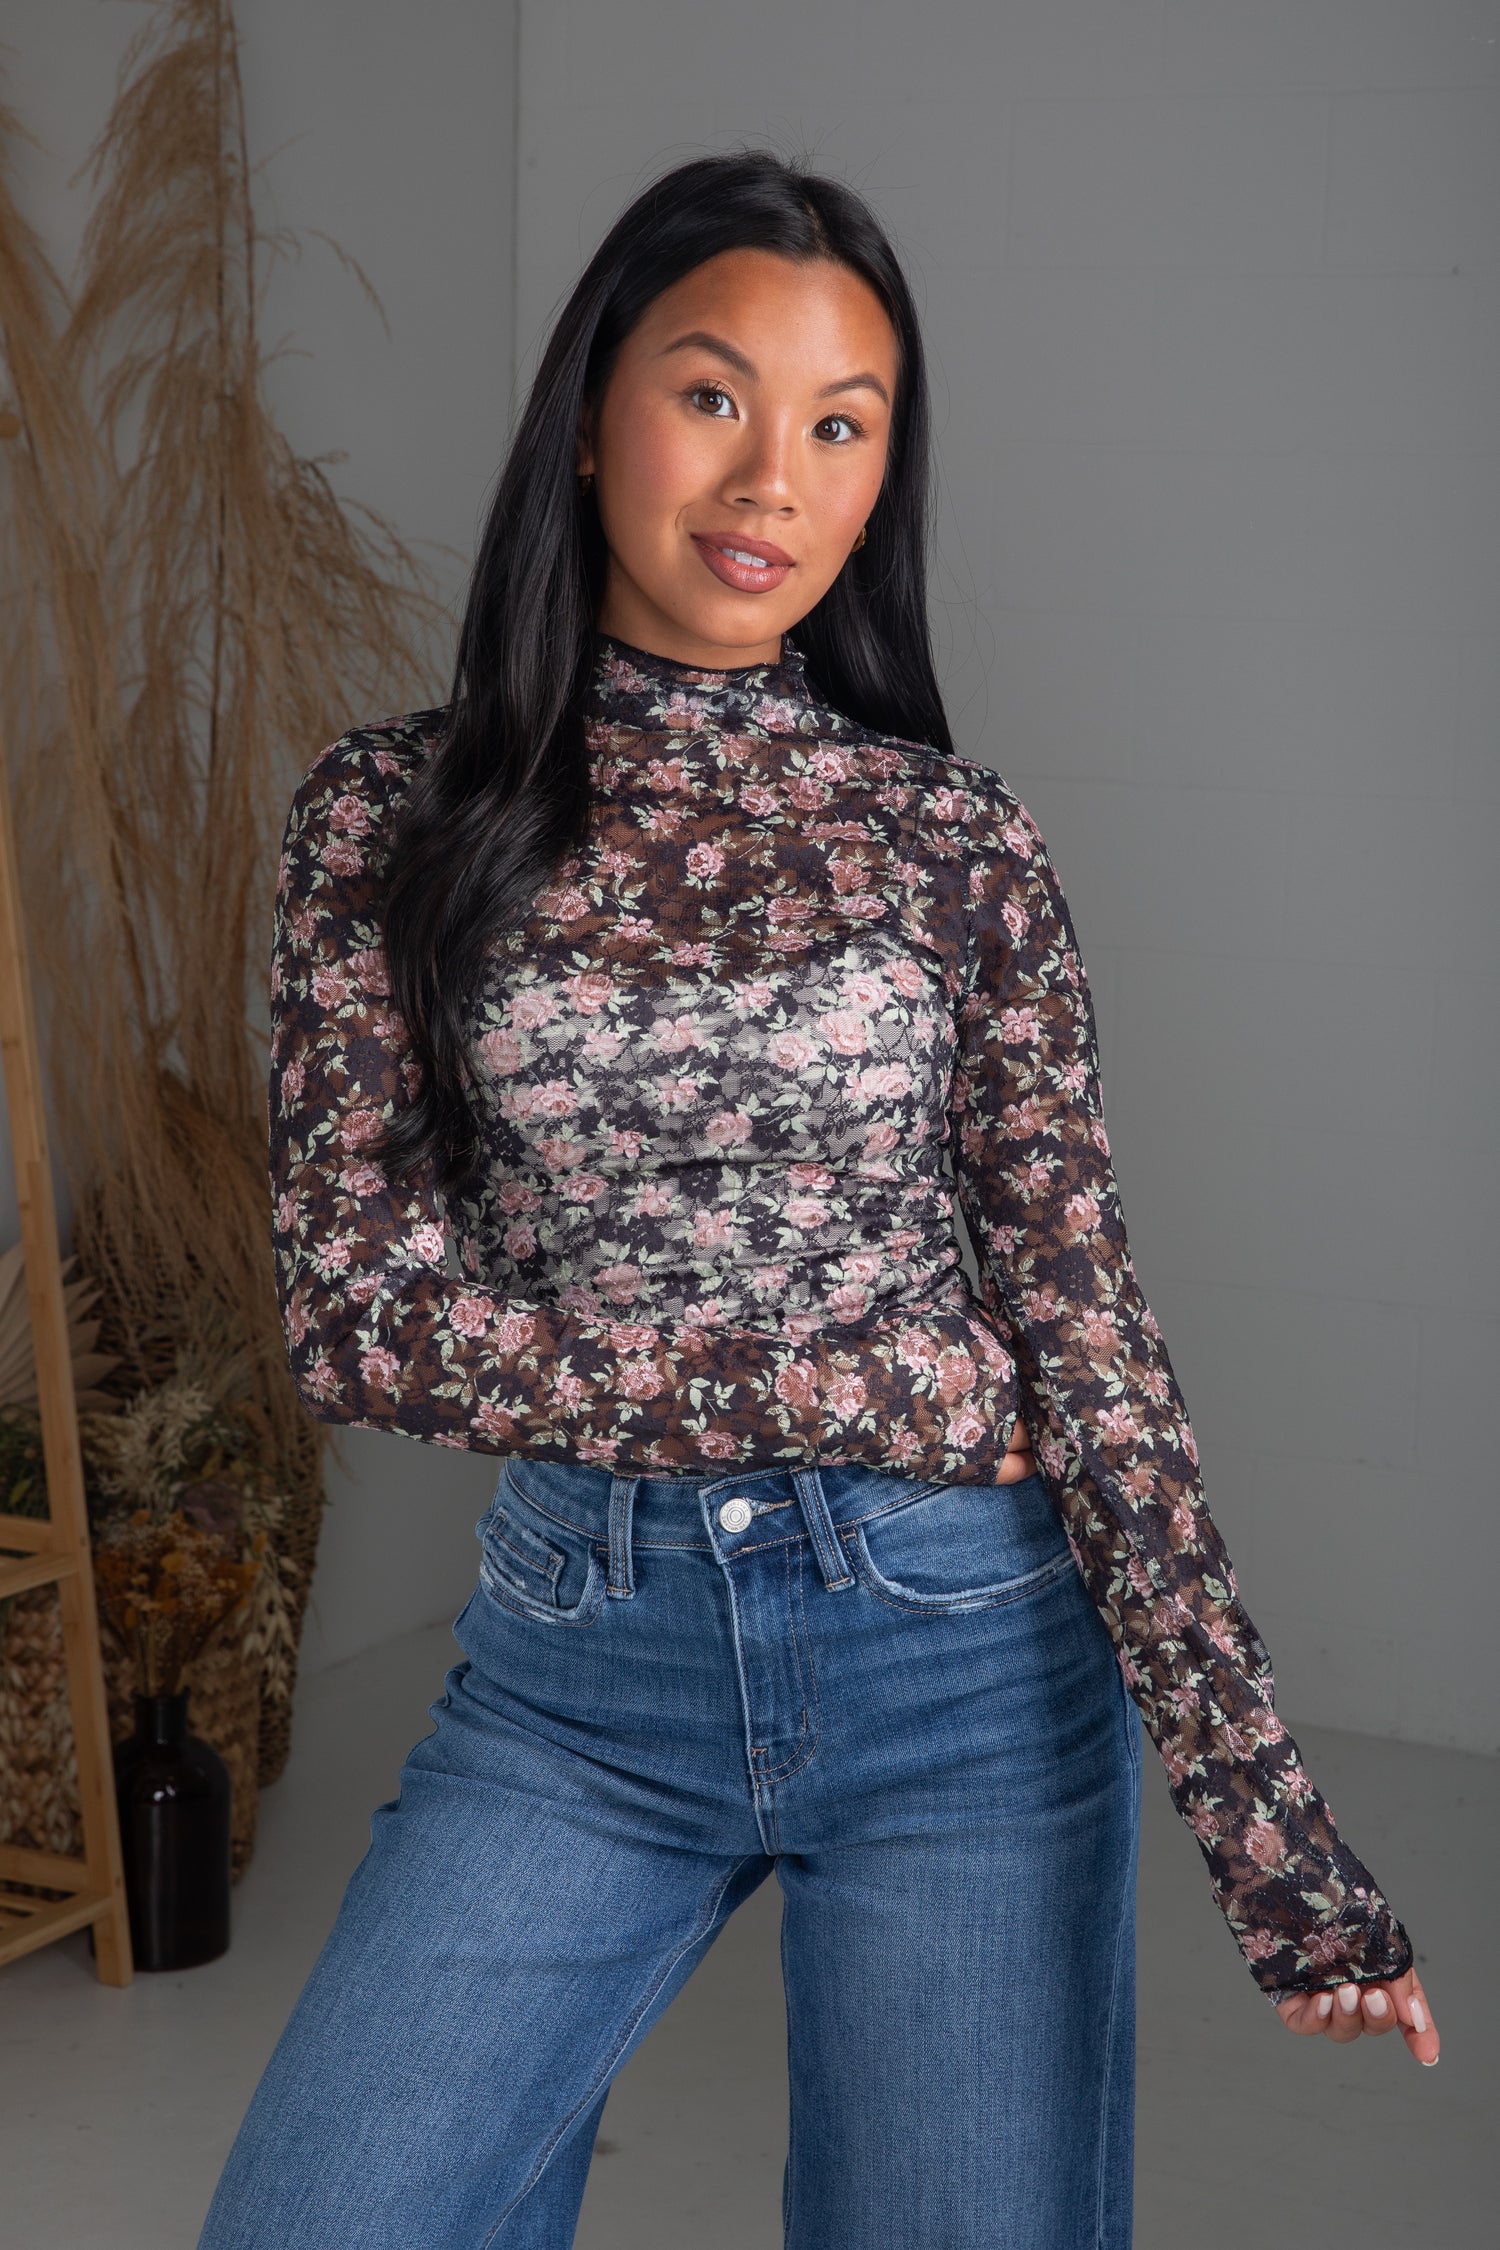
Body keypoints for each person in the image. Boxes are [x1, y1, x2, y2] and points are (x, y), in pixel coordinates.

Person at [198, 150, 1436, 2250]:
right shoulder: (384, 820)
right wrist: (867, 1380)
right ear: (590, 415)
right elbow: (359, 1315)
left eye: (844, 423)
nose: (777, 471)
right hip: (582, 1667)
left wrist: (1275, 1837)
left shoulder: (958, 845)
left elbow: (1090, 1348)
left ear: (880, 479)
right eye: (715, 394)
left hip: (955, 1656)